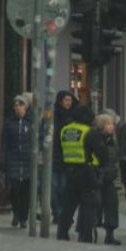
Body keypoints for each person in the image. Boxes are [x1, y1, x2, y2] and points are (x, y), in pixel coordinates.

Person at [56, 103, 100, 243]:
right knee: (87, 206)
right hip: (87, 171)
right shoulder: (89, 132)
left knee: (68, 205)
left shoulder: (65, 130)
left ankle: (62, 233)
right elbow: (100, 152)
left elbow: (59, 149)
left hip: (69, 171)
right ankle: (85, 236)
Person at [0, 93, 36, 228]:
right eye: (15, 105)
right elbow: (4, 143)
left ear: (25, 107)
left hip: (27, 161)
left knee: (25, 190)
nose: (17, 107)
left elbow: (36, 141)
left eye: (20, 104)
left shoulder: (31, 122)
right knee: (14, 189)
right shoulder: (9, 123)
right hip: (13, 160)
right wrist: (3, 159)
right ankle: (16, 213)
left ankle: (23, 217)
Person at [92, 110, 122, 245]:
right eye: (108, 124)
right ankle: (89, 232)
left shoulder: (112, 140)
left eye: (112, 124)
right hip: (97, 177)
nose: (112, 126)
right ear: (102, 126)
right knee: (94, 205)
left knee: (112, 204)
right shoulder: (96, 139)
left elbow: (115, 158)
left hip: (109, 178)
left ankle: (110, 234)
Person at [50, 89, 77, 220]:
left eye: (70, 100)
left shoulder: (73, 117)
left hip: (68, 157)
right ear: (60, 101)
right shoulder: (54, 116)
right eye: (66, 100)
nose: (68, 103)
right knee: (54, 187)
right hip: (54, 156)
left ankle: (64, 213)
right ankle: (57, 212)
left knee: (65, 188)